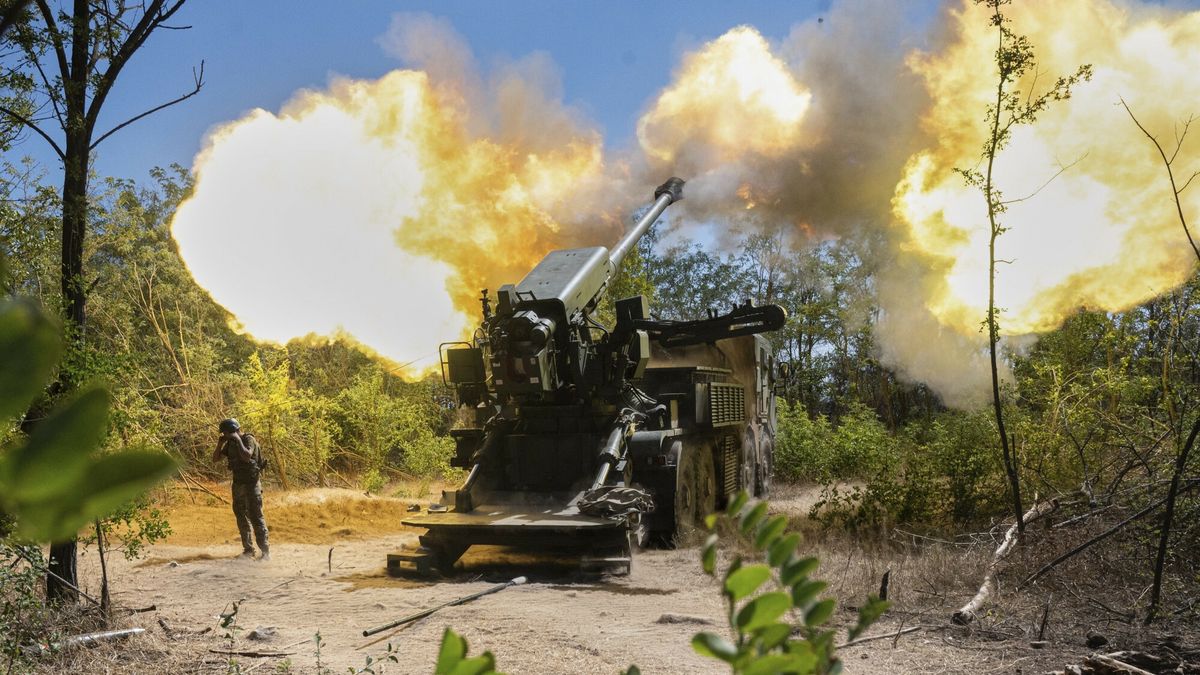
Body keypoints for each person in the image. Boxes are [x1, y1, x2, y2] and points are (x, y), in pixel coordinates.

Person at [212, 418, 270, 561]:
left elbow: (246, 456)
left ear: (232, 430)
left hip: (251, 483)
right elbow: (215, 459)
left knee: (256, 516)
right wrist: (220, 444)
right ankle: (248, 550)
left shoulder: (248, 439)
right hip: (238, 484)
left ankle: (265, 552)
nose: (224, 435)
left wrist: (237, 439)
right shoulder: (230, 443)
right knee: (241, 516)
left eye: (225, 433)